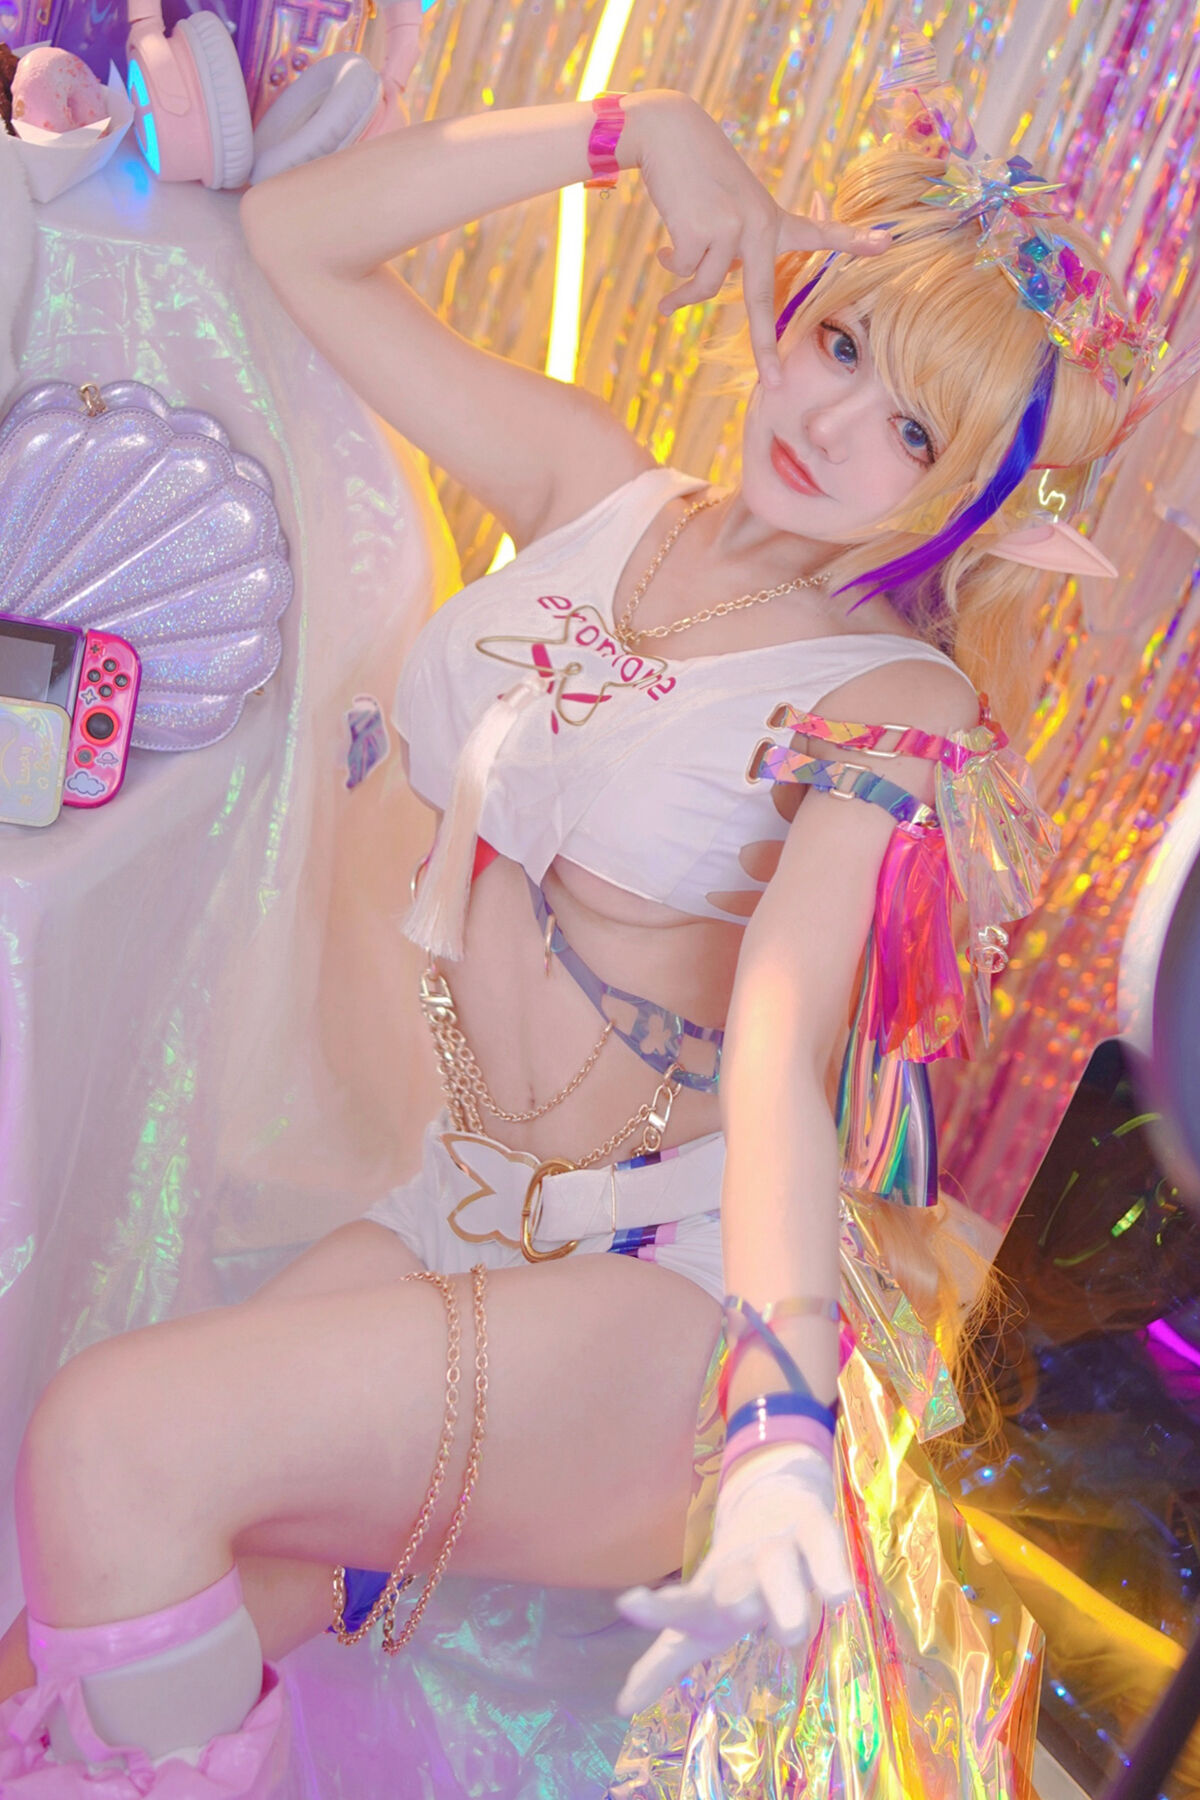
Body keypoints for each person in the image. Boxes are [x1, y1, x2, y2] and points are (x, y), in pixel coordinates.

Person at [0, 39, 1153, 1799]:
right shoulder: (594, 489)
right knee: (82, 1625)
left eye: (915, 429)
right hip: (459, 1206)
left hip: (658, 1299)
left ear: (971, 505)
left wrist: (780, 1424)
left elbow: (781, 1054)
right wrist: (634, 129)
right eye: (846, 344)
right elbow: (301, 238)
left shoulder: (895, 700)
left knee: (111, 1446)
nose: (833, 419)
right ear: (794, 299)